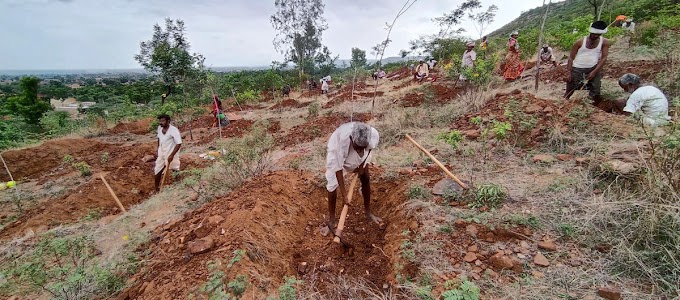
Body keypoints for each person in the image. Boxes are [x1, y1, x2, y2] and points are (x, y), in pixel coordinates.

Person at [325, 122, 382, 231]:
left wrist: (361, 165)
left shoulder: (373, 135)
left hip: (358, 154)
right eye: (358, 147)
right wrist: (344, 195)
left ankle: (368, 212)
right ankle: (332, 220)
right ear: (351, 139)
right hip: (337, 157)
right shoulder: (340, 143)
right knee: (332, 186)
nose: (360, 150)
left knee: (365, 177)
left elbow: (368, 150)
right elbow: (338, 169)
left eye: (363, 147)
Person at [564, 21, 610, 103]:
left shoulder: (604, 42)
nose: (595, 35)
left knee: (595, 89)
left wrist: (594, 72)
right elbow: (571, 57)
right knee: (571, 88)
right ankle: (564, 102)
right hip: (577, 68)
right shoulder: (580, 42)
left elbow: (604, 58)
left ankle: (590, 105)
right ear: (590, 31)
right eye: (593, 33)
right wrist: (568, 72)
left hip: (593, 67)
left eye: (597, 34)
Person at [154, 114, 182, 192]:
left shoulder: (174, 130)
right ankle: (156, 189)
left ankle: (178, 185)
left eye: (162, 121)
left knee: (175, 168)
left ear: (168, 121)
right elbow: (159, 139)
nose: (161, 122)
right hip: (161, 151)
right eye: (160, 121)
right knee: (157, 169)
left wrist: (172, 155)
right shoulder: (159, 128)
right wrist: (158, 149)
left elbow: (179, 143)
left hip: (171, 151)